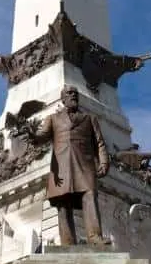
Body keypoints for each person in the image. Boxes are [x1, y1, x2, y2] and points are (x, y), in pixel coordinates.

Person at [28, 85, 109, 245]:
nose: (73, 96)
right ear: (63, 99)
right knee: (63, 203)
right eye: (69, 94)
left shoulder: (89, 118)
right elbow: (42, 137)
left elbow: (99, 142)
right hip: (62, 165)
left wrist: (104, 161)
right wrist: (32, 135)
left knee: (90, 195)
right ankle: (67, 242)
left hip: (85, 163)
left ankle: (95, 237)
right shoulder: (52, 118)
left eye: (75, 94)